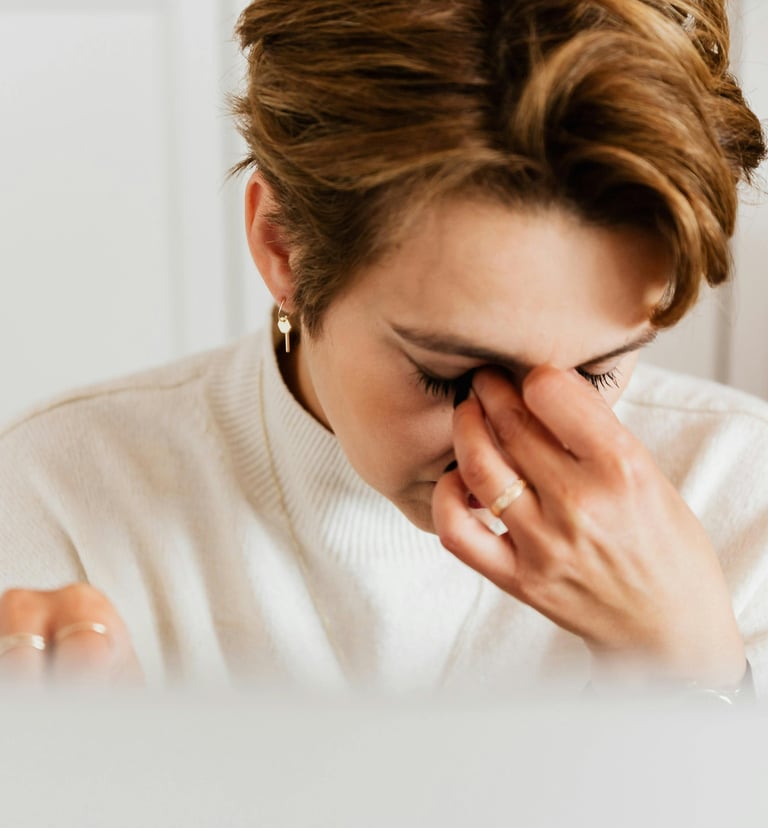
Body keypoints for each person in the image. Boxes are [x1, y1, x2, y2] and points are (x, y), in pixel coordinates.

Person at [0, 0, 765, 698]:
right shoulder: (60, 495)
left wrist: (696, 677)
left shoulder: (744, 498)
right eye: (451, 374)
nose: (509, 447)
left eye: (597, 373)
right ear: (283, 249)